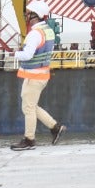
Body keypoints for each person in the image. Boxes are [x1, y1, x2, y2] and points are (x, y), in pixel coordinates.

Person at [9, 15, 63, 149]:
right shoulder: (48, 30)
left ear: (34, 17)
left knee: (28, 108)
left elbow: (28, 55)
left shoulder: (35, 33)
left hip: (34, 75)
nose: (26, 17)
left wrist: (15, 54)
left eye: (28, 14)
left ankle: (29, 140)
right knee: (30, 106)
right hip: (42, 74)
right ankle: (55, 127)